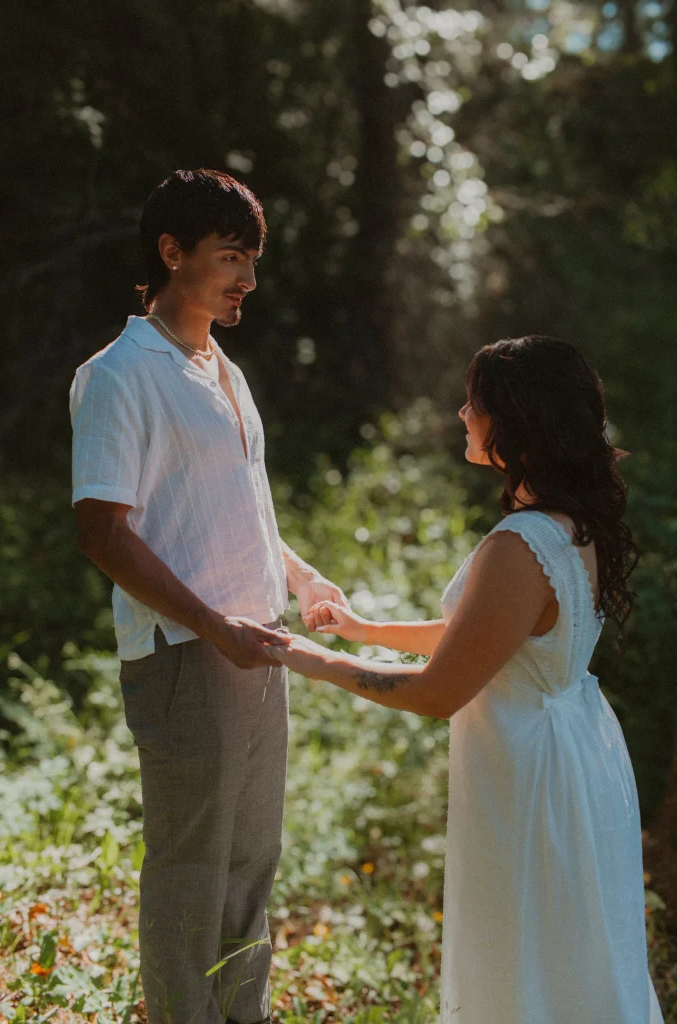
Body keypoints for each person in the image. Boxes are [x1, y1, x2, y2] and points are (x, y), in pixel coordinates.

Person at [274, 336, 664, 1024]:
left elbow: (438, 691)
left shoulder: (521, 544)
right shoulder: (572, 525)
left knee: (526, 960)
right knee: (564, 957)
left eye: (473, 402)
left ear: (515, 419)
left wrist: (301, 657)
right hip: (570, 755)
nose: (461, 414)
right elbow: (498, 640)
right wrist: (367, 630)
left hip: (531, 770)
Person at [69, 168, 347, 1024]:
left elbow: (235, 506)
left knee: (251, 864)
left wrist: (300, 578)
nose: (248, 279)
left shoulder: (222, 368)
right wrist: (209, 623)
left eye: (252, 259)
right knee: (191, 873)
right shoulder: (120, 375)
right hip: (186, 654)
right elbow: (102, 531)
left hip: (258, 645)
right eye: (230, 257)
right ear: (171, 251)